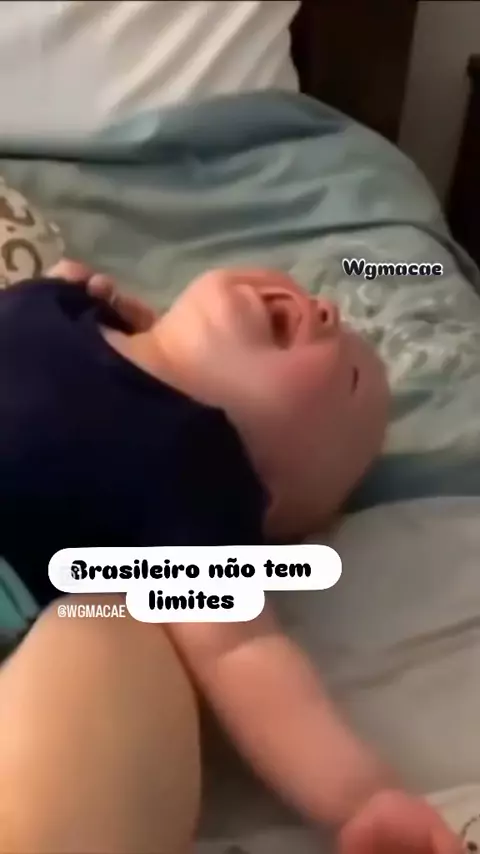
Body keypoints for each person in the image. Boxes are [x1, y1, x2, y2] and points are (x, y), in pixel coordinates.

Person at [0, 260, 461, 854]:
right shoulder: (56, 303)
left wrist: (361, 797)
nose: (329, 312)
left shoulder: (200, 481)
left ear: (274, 503)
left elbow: (242, 653)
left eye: (349, 379)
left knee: (110, 626)